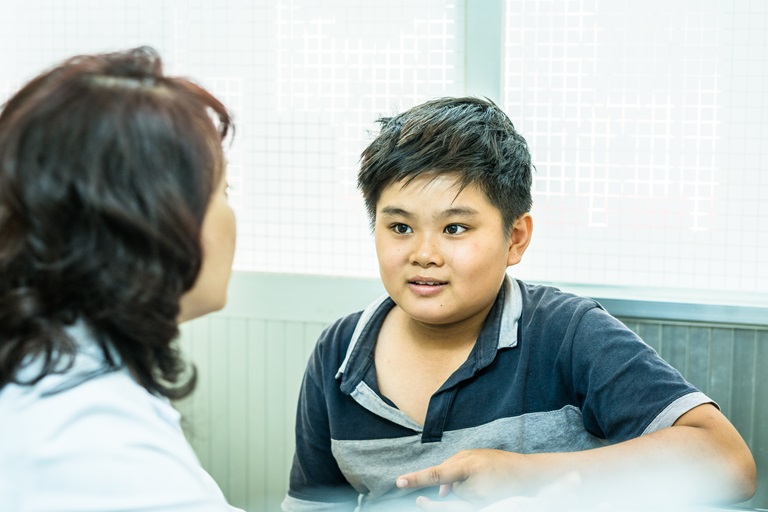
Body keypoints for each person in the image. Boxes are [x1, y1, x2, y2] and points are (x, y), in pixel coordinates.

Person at [282, 97, 757, 511]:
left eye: (455, 228)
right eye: (400, 227)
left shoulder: (567, 332)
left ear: (515, 238)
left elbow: (729, 463)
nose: (423, 254)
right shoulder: (338, 353)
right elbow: (313, 504)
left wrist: (531, 473)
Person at [0, 47, 242, 511]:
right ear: (151, 221)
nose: (232, 216)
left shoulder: (54, 361)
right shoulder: (86, 437)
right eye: (224, 191)